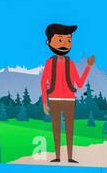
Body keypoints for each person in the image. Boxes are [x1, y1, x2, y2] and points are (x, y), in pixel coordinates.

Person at [40, 23, 95, 163]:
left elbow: (80, 83)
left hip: (70, 100)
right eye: (60, 40)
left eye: (68, 40)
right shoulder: (49, 63)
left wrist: (88, 67)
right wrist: (45, 102)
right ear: (49, 42)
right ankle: (58, 156)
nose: (65, 44)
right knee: (56, 128)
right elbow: (43, 82)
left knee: (70, 128)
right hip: (54, 99)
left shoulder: (70, 64)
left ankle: (70, 157)